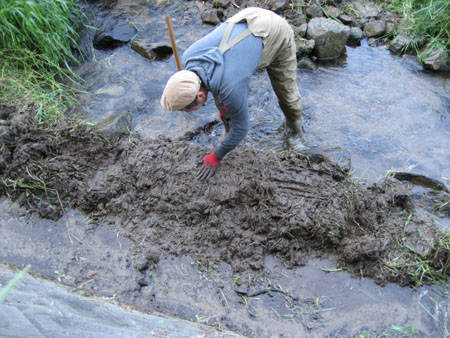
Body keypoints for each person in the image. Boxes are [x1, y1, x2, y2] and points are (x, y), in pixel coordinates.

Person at [161, 7, 303, 180]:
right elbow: (214, 80)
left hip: (274, 32)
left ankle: (295, 130)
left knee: (287, 94)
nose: (186, 112)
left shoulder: (230, 87)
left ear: (200, 96)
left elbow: (242, 128)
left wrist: (217, 155)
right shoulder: (189, 58)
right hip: (246, 21)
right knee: (228, 94)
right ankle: (228, 126)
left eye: (186, 109)